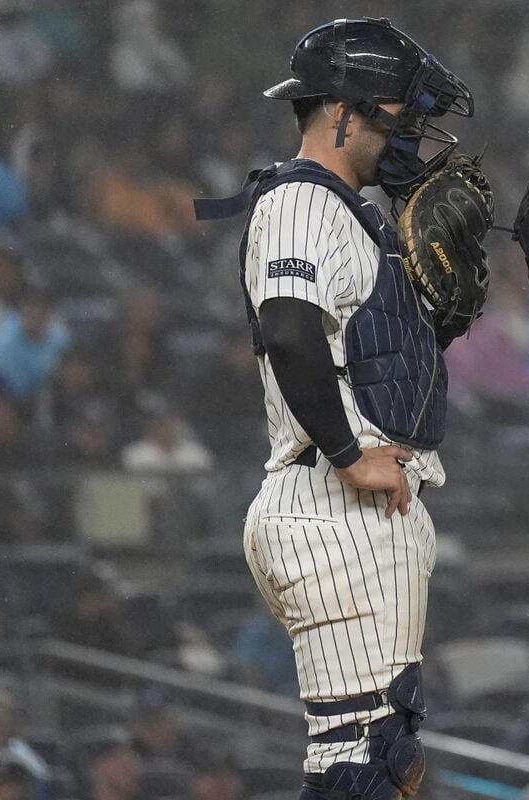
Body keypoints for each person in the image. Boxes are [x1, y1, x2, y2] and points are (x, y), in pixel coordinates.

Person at [194, 17, 476, 800]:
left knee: (373, 757)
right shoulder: (301, 202)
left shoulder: (353, 213)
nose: (412, 134)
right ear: (343, 113)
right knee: (364, 761)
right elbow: (288, 332)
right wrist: (352, 455)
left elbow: (378, 356)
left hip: (338, 508)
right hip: (333, 503)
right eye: (398, 114)